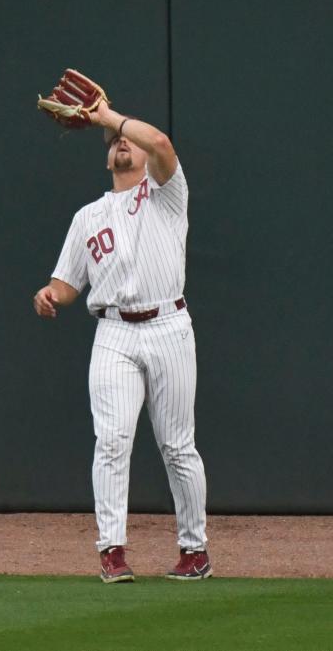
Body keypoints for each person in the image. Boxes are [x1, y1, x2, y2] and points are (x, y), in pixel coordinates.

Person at [33, 99, 210, 583]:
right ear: (106, 159)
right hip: (113, 331)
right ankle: (112, 550)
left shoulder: (167, 194)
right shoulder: (88, 217)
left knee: (178, 446)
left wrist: (106, 117)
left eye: (126, 138)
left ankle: (195, 551)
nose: (122, 143)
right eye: (114, 143)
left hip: (170, 325)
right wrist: (49, 295)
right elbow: (67, 285)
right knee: (111, 442)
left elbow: (162, 143)